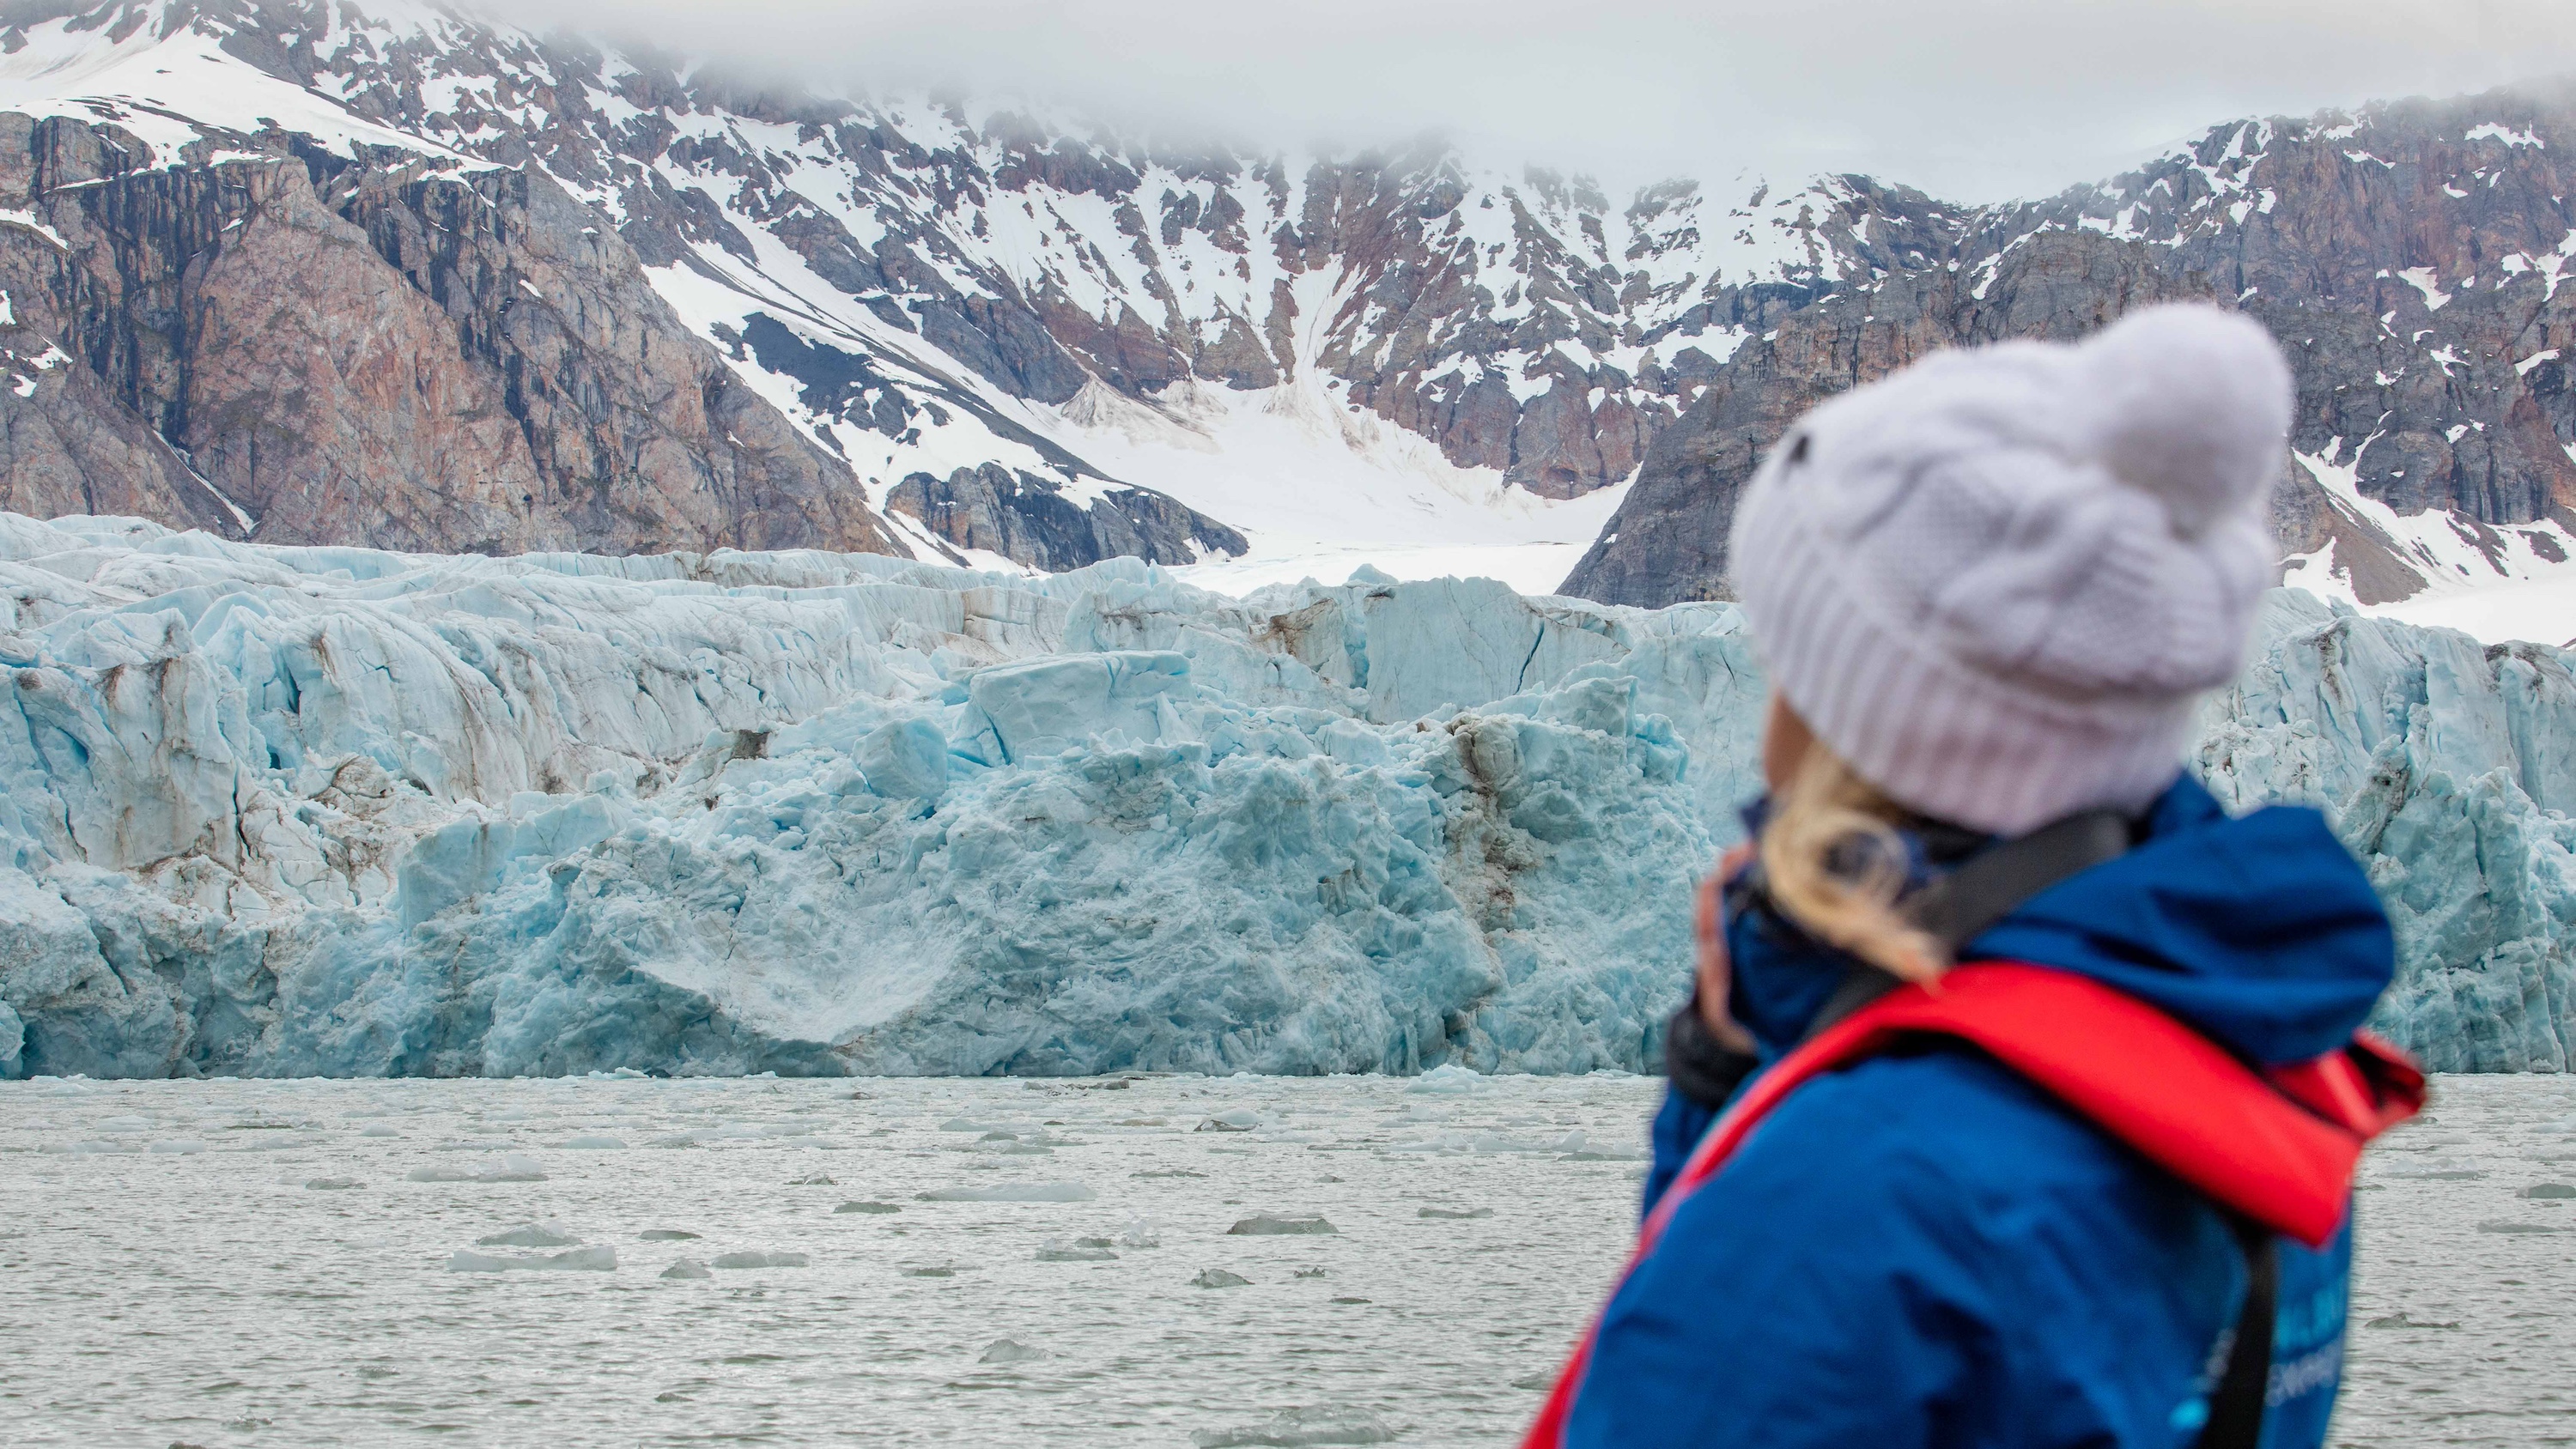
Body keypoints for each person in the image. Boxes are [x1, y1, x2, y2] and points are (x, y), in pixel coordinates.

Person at [1527, 305, 2420, 1449]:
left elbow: (1745, 1347)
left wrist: (1773, 1144)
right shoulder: (2264, 1082)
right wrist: (1732, 1081)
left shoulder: (1852, 1200)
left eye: (1785, 663)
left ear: (1856, 716)